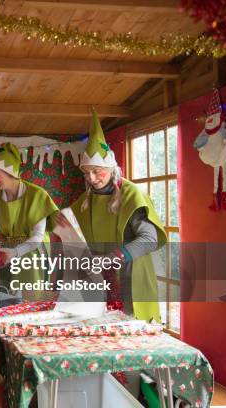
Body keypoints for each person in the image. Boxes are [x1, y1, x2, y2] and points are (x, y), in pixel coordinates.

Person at [55, 109, 167, 322]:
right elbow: (69, 230)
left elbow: (149, 239)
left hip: (129, 274)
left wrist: (113, 257)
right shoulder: (85, 199)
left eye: (97, 171)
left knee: (131, 332)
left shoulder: (131, 195)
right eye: (87, 173)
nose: (92, 178)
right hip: (98, 280)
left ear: (111, 168)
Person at [0, 142, 59, 304]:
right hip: (2, 255)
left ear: (9, 171)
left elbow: (37, 237)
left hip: (30, 254)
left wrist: (16, 252)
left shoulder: (37, 196)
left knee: (25, 304)